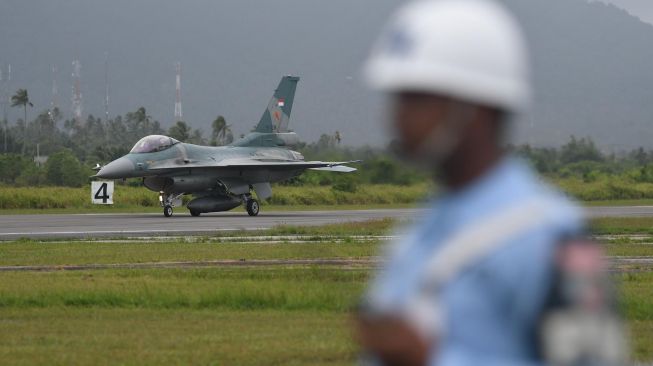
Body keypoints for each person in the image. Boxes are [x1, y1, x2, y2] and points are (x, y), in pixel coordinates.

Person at [355, 1, 625, 365]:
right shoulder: (417, 234)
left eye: (417, 98)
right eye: (398, 97)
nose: (399, 116)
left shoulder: (551, 238)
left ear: (474, 107)